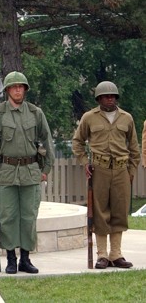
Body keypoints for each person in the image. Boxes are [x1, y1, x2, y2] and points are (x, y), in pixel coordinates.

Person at [0, 71, 54, 275]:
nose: (18, 90)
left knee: (29, 216)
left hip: (31, 171)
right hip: (6, 171)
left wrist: (46, 168)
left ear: (25, 90)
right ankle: (11, 259)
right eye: (14, 87)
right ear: (7, 90)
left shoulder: (35, 113)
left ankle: (25, 259)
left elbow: (47, 140)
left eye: (21, 86)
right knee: (8, 216)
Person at [72, 81, 139, 269]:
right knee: (100, 211)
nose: (109, 99)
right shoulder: (89, 117)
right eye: (105, 96)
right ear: (99, 99)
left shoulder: (127, 118)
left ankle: (116, 254)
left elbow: (134, 148)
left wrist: (131, 171)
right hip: (99, 170)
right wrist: (85, 162)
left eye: (112, 96)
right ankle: (102, 255)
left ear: (116, 98)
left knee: (119, 211)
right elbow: (77, 142)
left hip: (121, 169)